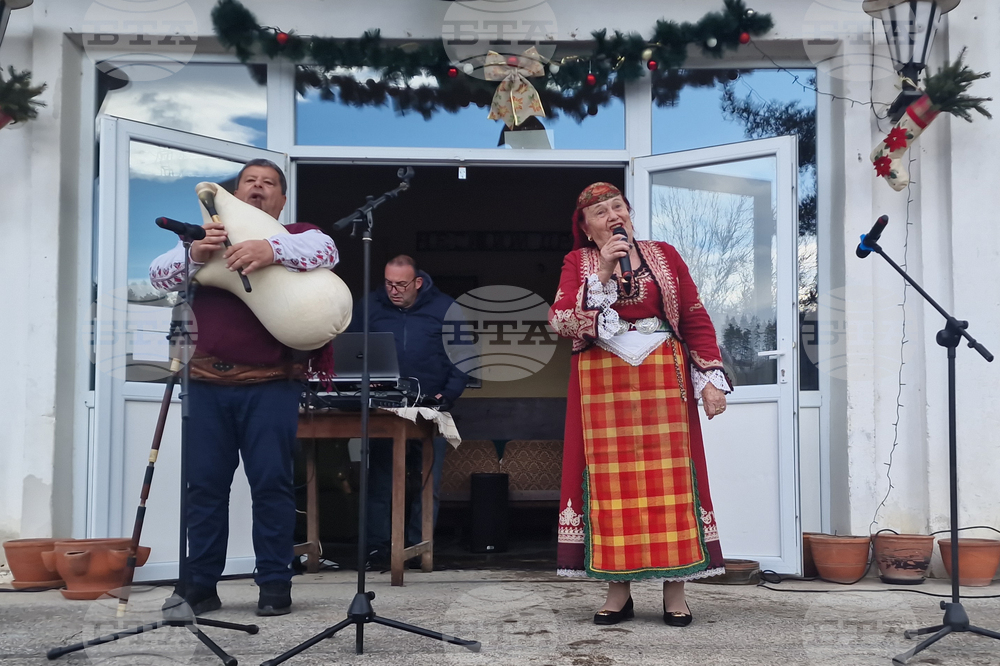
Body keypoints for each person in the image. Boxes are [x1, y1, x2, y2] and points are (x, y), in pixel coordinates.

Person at [150, 159, 340, 617]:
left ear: (282, 199)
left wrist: (270, 249)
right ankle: (201, 584)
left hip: (270, 384)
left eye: (268, 183)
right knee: (204, 487)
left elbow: (327, 250)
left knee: (271, 485)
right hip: (205, 384)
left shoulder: (297, 233)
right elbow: (158, 277)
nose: (258, 188)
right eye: (249, 182)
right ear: (235, 194)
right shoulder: (201, 238)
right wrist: (194, 255)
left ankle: (274, 583)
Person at [548, 183, 731, 627]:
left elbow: (694, 315)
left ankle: (676, 592)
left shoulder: (664, 255)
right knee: (611, 488)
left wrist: (710, 377)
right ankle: (618, 592)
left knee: (671, 482)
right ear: (586, 227)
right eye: (601, 212)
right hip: (601, 384)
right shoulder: (578, 262)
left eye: (618, 207)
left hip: (663, 379)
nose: (614, 216)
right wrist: (604, 271)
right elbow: (561, 321)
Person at [349, 255, 468, 568]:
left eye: (401, 284)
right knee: (380, 482)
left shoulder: (446, 308)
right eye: (389, 283)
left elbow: (464, 356)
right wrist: (363, 384)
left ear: (418, 282)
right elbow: (351, 348)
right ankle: (377, 550)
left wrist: (448, 394)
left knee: (429, 484)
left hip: (430, 408)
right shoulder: (369, 306)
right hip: (384, 409)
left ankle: (419, 549)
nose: (393, 290)